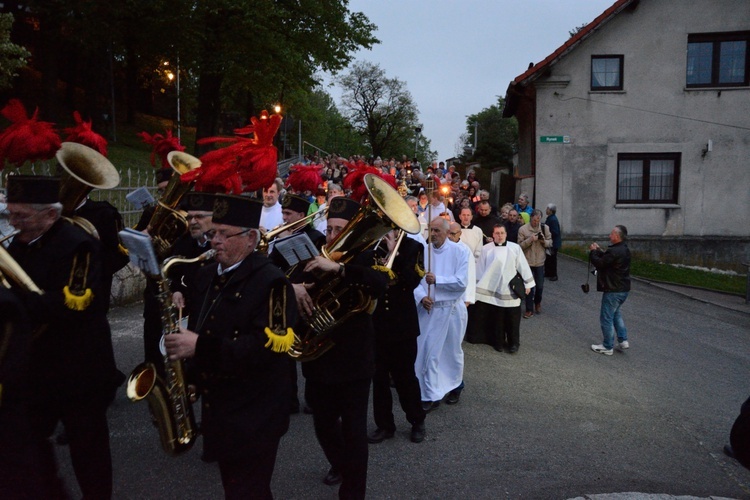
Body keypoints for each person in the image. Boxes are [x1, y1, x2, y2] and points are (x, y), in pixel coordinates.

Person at [164, 193, 298, 499]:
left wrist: (199, 348)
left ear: (251, 238)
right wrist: (191, 379)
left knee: (249, 491)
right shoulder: (206, 275)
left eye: (225, 234)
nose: (215, 241)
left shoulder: (273, 283)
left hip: (256, 412)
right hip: (221, 406)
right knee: (232, 486)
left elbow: (268, 349)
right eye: (214, 233)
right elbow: (203, 326)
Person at [6, 175, 123, 499]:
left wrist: (13, 303)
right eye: (10, 214)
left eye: (22, 216)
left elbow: (74, 304)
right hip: (36, 367)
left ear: (50, 215)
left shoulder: (78, 245)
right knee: (28, 444)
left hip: (79, 370)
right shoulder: (18, 243)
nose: (14, 223)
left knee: (89, 453)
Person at [296, 196, 388, 498]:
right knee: (323, 425)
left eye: (339, 229)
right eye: (330, 228)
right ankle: (339, 463)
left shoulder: (364, 254)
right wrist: (294, 287)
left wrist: (339, 270)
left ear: (351, 230)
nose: (333, 235)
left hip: (353, 363)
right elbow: (284, 281)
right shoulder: (313, 253)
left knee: (354, 434)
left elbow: (379, 283)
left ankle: (353, 492)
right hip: (318, 358)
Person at [368, 230, 427, 445]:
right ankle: (384, 425)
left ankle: (417, 420)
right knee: (379, 378)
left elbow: (411, 281)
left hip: (403, 325)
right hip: (378, 323)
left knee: (405, 378)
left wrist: (395, 252)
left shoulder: (413, 247)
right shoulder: (374, 246)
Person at [414, 217, 469, 411]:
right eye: (431, 230)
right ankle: (430, 393)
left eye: (437, 230)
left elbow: (462, 282)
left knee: (451, 352)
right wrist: (422, 296)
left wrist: (438, 279)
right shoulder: (424, 251)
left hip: (451, 309)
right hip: (428, 309)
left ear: (447, 232)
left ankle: (455, 385)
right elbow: (415, 280)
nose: (434, 234)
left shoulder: (460, 251)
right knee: (427, 351)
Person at [466, 224, 534, 354]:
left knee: (513, 319)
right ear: (493, 235)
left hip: (510, 289)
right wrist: (474, 288)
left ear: (506, 234)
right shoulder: (486, 249)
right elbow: (480, 269)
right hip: (493, 289)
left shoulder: (515, 248)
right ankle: (499, 342)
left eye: (502, 233)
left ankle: (514, 343)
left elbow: (523, 266)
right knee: (498, 318)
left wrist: (528, 283)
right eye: (497, 233)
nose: (500, 235)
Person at [169, 191, 215, 318]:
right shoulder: (184, 242)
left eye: (199, 217)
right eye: (190, 217)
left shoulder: (223, 246)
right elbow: (175, 274)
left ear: (213, 218)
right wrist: (176, 290)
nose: (193, 222)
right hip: (189, 311)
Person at [589, 225, 631, 355]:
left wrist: (593, 252)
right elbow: (608, 260)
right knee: (616, 314)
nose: (609, 236)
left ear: (617, 236)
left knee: (606, 317)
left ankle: (607, 346)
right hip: (623, 288)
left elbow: (600, 263)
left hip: (613, 289)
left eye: (612, 234)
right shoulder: (624, 249)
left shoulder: (614, 251)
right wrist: (599, 251)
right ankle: (623, 340)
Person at [518, 209, 552, 318]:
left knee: (540, 286)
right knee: (529, 287)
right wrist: (530, 240)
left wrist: (543, 241)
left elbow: (550, 242)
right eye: (534, 220)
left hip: (540, 262)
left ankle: (537, 302)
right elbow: (519, 246)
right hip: (527, 261)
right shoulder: (523, 229)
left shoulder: (544, 228)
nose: (536, 222)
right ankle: (529, 309)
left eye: (538, 220)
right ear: (531, 218)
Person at [544, 203, 562, 281]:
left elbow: (555, 232)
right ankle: (548, 273)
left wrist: (548, 234)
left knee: (552, 259)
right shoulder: (550, 218)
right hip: (551, 242)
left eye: (547, 209)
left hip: (553, 243)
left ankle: (554, 274)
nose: (546, 210)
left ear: (551, 210)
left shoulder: (553, 219)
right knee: (548, 258)